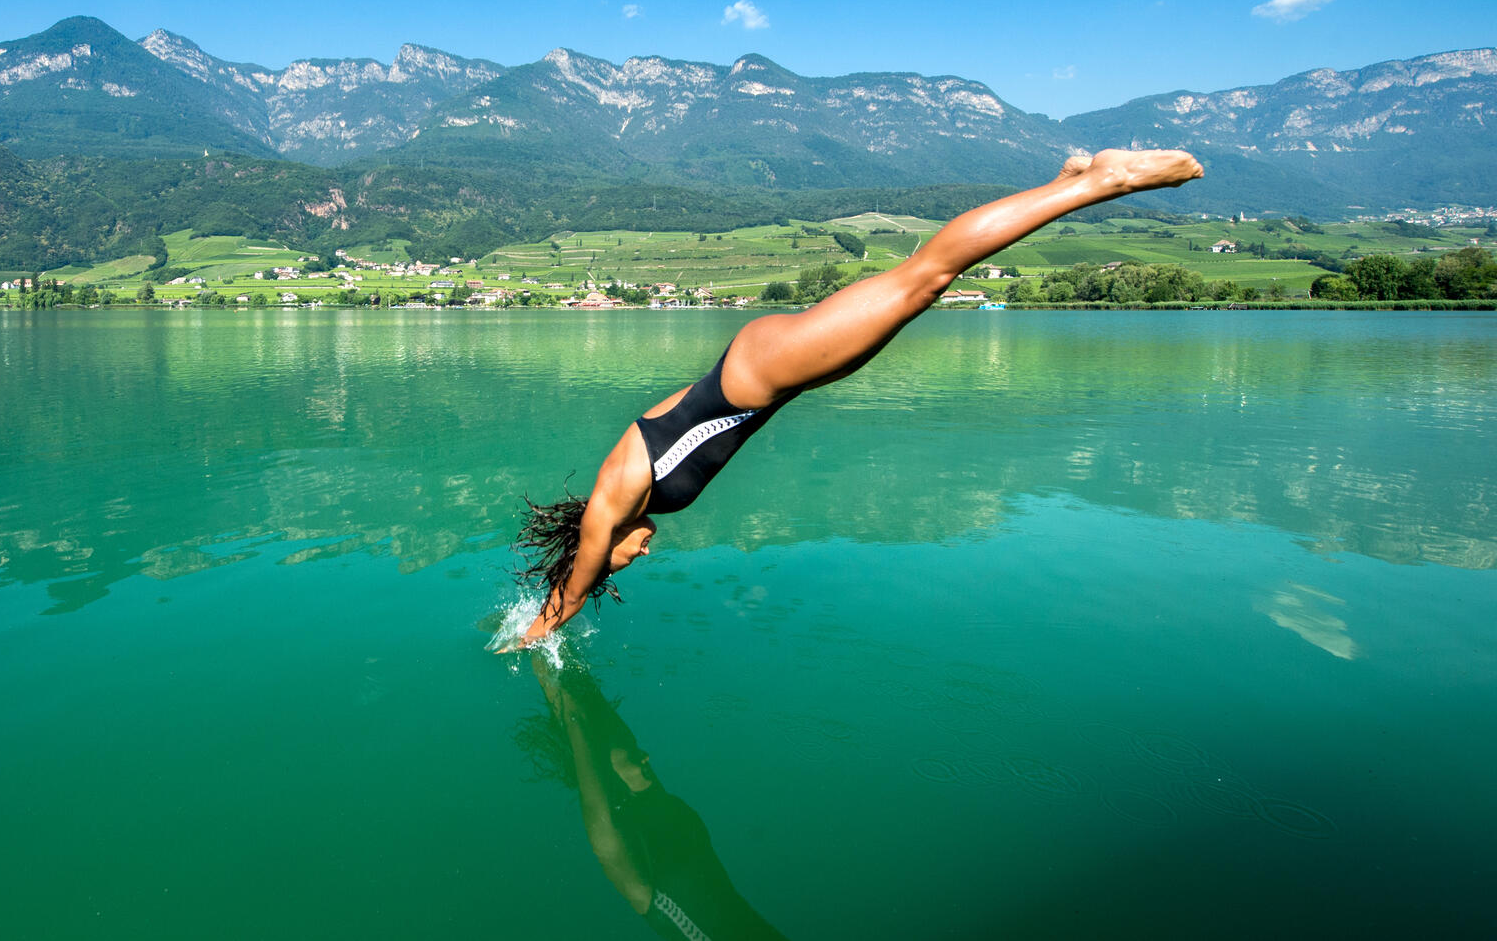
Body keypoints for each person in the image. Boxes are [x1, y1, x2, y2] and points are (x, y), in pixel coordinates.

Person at [507, 148, 1204, 648]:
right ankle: (1065, 180)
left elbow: (581, 574)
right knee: (921, 286)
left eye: (620, 557)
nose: (640, 557)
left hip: (763, 372)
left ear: (592, 543)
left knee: (926, 276)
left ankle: (1104, 181)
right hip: (763, 373)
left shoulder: (615, 498)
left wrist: (538, 632)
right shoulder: (629, 482)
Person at [527, 659, 791, 940]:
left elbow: (587, 710)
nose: (647, 756)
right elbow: (576, 722)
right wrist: (542, 655)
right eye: (636, 750)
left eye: (636, 748)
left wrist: (559, 647)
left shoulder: (653, 803)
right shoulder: (620, 848)